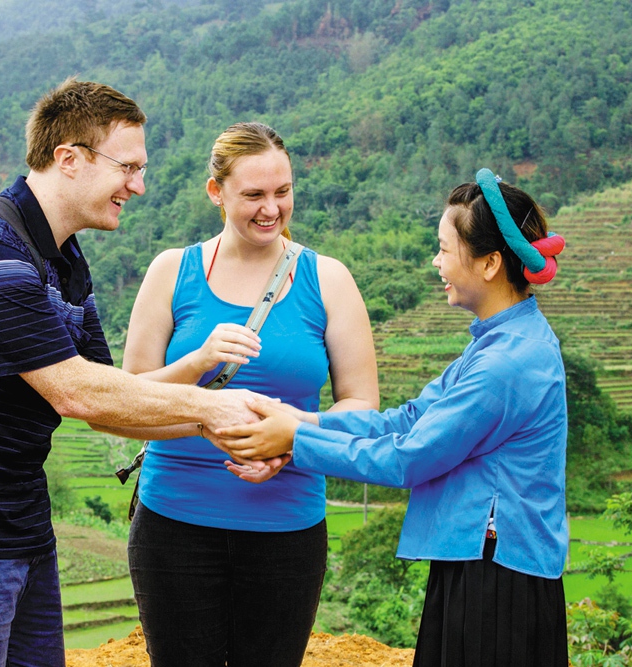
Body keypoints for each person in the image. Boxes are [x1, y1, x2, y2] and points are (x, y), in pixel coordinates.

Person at [0, 79, 264, 667]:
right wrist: (216, 414)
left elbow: (115, 400)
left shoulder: (61, 258)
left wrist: (198, 370)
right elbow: (77, 394)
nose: (138, 185)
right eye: (128, 167)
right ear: (69, 159)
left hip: (21, 530)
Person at [218, 170, 569, 666]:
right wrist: (302, 420)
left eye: (445, 249)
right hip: (480, 562)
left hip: (495, 575)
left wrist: (294, 442)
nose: (436, 262)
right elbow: (408, 419)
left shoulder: (506, 364)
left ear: (490, 263)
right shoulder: (497, 343)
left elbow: (410, 457)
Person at [98, 121, 379, 667]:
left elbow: (361, 406)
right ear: (216, 192)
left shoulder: (330, 280)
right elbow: (129, 399)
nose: (271, 209)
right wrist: (199, 360)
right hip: (174, 524)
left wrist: (288, 438)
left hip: (287, 526)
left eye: (283, 192)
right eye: (253, 195)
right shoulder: (171, 273)